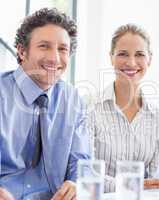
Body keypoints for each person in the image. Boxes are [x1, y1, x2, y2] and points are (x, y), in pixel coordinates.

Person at [0, 8, 91, 199]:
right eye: (44, 46)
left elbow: (82, 160)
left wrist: (77, 182)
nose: (54, 58)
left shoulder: (73, 99)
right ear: (22, 51)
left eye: (62, 49)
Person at [89, 24, 159, 192]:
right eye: (122, 54)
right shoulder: (90, 110)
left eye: (140, 54)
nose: (131, 62)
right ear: (111, 57)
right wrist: (129, 185)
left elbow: (157, 178)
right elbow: (86, 173)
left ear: (150, 59)